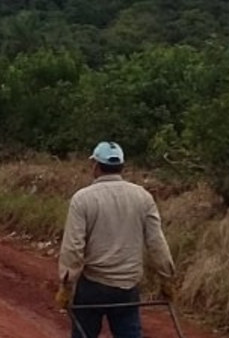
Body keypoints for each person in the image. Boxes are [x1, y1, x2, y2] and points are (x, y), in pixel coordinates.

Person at [56, 141, 177, 338]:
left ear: (95, 166)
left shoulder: (82, 199)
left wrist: (66, 285)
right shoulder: (143, 197)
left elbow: (73, 248)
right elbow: (157, 243)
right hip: (127, 288)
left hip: (93, 287)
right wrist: (167, 279)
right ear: (122, 166)